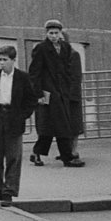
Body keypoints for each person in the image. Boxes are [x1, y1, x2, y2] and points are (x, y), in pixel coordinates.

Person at [0, 45, 38, 206]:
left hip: (14, 117)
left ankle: (9, 191)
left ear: (13, 60)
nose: (2, 63)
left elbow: (31, 100)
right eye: (0, 60)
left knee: (13, 156)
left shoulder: (22, 77)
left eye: (5, 60)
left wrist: (22, 116)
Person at [28, 20, 85, 167]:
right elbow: (34, 72)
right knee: (58, 125)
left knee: (53, 125)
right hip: (49, 92)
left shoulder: (65, 47)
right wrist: (39, 93)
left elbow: (67, 69)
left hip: (62, 92)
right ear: (46, 33)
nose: (53, 36)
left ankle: (37, 153)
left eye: (56, 33)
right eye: (51, 33)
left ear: (60, 33)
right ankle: (67, 157)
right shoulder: (40, 49)